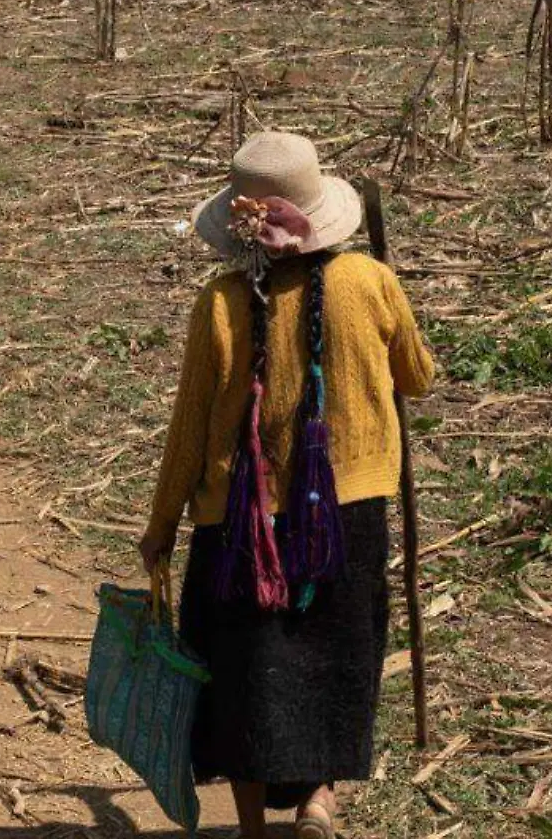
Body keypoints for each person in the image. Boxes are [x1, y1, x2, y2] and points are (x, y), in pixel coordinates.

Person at [138, 132, 436, 839]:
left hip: (236, 525)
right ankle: (317, 804)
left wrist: (161, 528)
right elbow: (417, 378)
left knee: (241, 674)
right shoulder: (369, 282)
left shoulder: (220, 302)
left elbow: (187, 429)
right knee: (339, 660)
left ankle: (248, 827)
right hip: (347, 512)